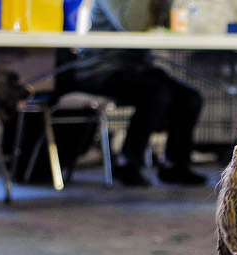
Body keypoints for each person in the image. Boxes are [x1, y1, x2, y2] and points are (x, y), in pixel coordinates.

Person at [74, 0, 206, 187]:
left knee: (189, 97)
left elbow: (167, 23)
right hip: (100, 69)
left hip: (137, 68)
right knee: (156, 93)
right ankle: (127, 163)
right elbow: (132, 25)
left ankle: (174, 165)